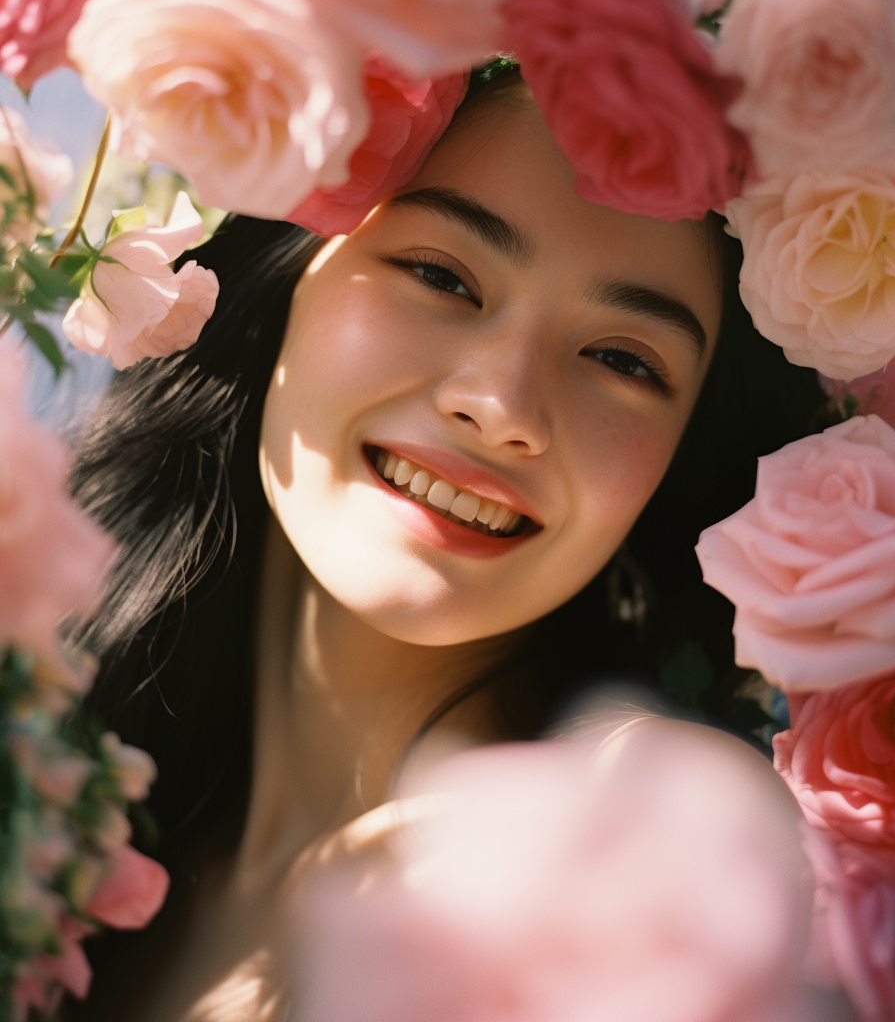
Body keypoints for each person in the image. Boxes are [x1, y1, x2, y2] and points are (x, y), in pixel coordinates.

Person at [60, 63, 824, 1021]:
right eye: (442, 276)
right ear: (277, 279)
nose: (504, 407)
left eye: (624, 360)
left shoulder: (638, 844)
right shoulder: (66, 784)